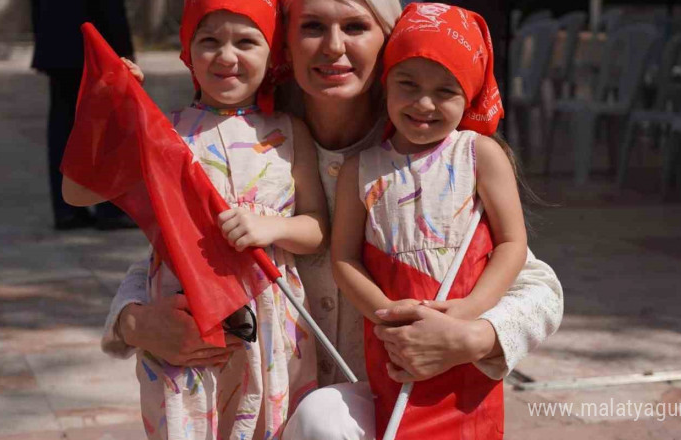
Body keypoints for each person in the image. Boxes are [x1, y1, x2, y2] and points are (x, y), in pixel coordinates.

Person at [105, 1, 563, 438]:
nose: (333, 46)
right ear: (284, 41)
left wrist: (472, 336)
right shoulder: (259, 145)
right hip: (264, 409)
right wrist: (134, 322)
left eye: (355, 27)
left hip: (402, 406)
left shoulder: (432, 158)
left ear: (389, 42)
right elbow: (179, 250)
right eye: (312, 27)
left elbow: (537, 286)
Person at [62, 1, 327, 438]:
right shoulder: (165, 133)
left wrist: (273, 227)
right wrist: (104, 111)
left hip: (272, 326)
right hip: (184, 319)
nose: (226, 56)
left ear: (273, 54)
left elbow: (317, 227)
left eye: (246, 41)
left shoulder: (291, 132)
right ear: (187, 51)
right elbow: (78, 192)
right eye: (209, 41)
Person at [330, 4, 522, 437]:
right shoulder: (360, 170)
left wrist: (469, 313)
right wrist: (386, 318)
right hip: (391, 342)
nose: (424, 103)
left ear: (470, 94)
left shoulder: (479, 155)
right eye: (408, 84)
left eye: (446, 91)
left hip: (462, 341)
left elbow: (512, 244)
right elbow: (343, 259)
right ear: (386, 85)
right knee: (395, 423)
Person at [30, 0, 138, 230]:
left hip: (57, 41)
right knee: (107, 127)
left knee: (63, 126)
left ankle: (67, 209)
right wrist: (123, 48)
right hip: (92, 44)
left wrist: (43, 41)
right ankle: (109, 208)